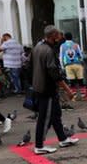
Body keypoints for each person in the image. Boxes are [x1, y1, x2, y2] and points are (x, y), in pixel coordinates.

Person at [31, 26, 78, 154]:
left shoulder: (37, 47)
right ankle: (39, 145)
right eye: (58, 34)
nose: (60, 36)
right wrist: (68, 90)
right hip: (46, 88)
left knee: (55, 114)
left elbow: (30, 66)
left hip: (39, 86)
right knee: (44, 117)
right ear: (53, 35)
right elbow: (55, 75)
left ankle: (63, 138)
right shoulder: (48, 51)